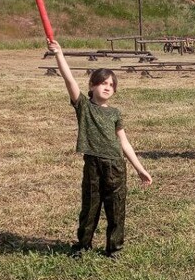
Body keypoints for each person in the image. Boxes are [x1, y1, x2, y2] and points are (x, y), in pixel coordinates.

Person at [47, 39, 152, 258]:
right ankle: (82, 246)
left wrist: (140, 169)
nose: (107, 87)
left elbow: (124, 143)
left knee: (116, 209)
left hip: (115, 166)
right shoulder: (84, 106)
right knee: (90, 207)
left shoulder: (115, 113)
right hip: (93, 165)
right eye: (103, 83)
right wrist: (59, 54)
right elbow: (69, 79)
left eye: (111, 85)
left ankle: (114, 249)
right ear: (92, 86)